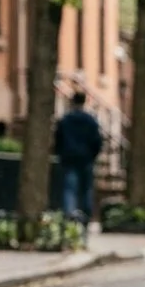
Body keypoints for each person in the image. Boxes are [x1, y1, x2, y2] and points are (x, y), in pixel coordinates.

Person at [54, 92, 102, 225]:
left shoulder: (65, 120)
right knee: (87, 188)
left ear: (72, 102)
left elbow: (58, 139)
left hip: (69, 158)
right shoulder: (91, 120)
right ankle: (86, 215)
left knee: (70, 188)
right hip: (86, 158)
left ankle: (69, 214)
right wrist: (93, 155)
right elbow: (97, 141)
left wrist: (60, 153)